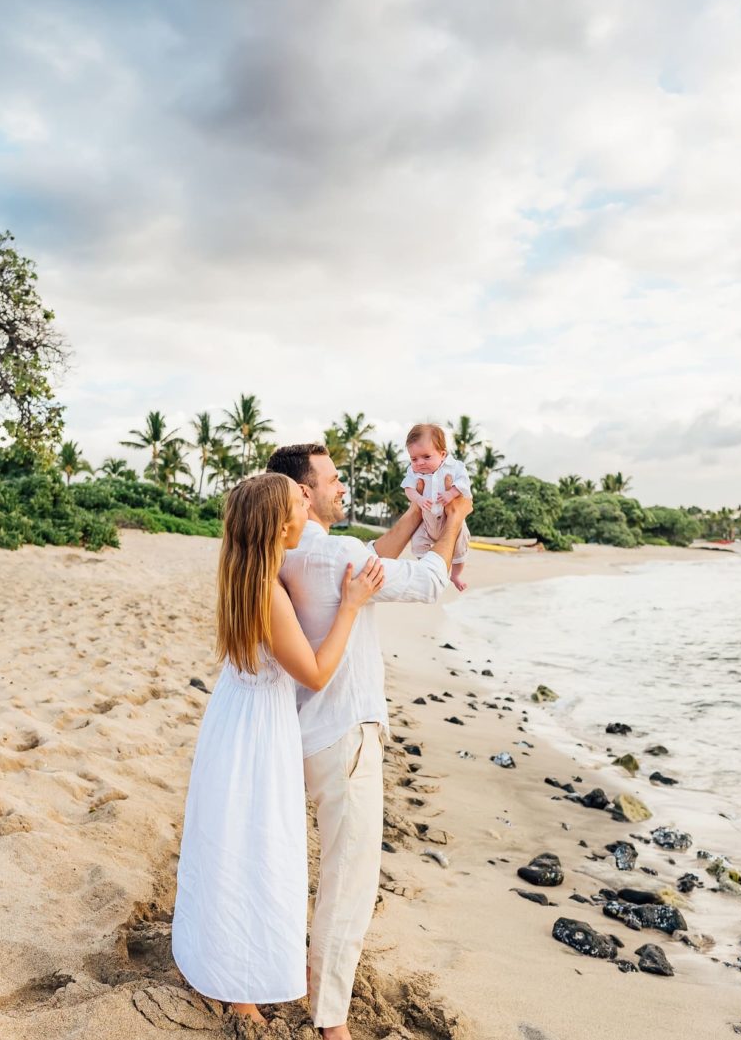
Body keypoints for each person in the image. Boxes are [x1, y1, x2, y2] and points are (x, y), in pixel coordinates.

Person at [265, 443, 472, 1040]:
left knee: (306, 868)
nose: (342, 487)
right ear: (302, 492)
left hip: (299, 732)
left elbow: (370, 558)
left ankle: (300, 973)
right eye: (332, 480)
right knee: (348, 880)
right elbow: (430, 582)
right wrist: (452, 518)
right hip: (346, 735)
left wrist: (415, 515)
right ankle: (331, 1020)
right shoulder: (336, 554)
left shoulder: (290, 552)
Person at [171, 473, 386, 1027]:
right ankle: (242, 992)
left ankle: (232, 977)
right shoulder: (267, 591)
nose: (308, 504)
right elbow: (315, 674)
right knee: (256, 851)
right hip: (259, 732)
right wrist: (351, 606)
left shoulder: (247, 574)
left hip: (234, 718)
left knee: (232, 845)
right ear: (280, 522)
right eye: (299, 501)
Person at [401, 422, 473, 591]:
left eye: (426, 457)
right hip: (427, 521)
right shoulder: (413, 472)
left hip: (450, 520)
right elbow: (408, 489)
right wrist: (418, 499)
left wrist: (451, 493)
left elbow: (464, 482)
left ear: (442, 454)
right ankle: (428, 568)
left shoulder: (454, 467)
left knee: (460, 546)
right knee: (417, 542)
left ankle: (455, 575)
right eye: (414, 459)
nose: (420, 463)